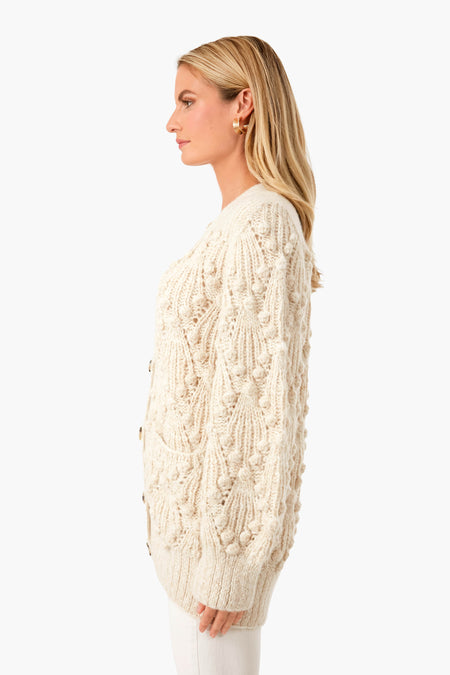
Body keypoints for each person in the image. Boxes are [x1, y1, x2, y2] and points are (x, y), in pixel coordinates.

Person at [140, 35, 322, 675]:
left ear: (242, 104)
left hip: (212, 574)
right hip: (189, 557)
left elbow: (256, 406)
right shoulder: (237, 222)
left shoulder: (261, 224)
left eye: (188, 101)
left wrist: (231, 566)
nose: (172, 122)